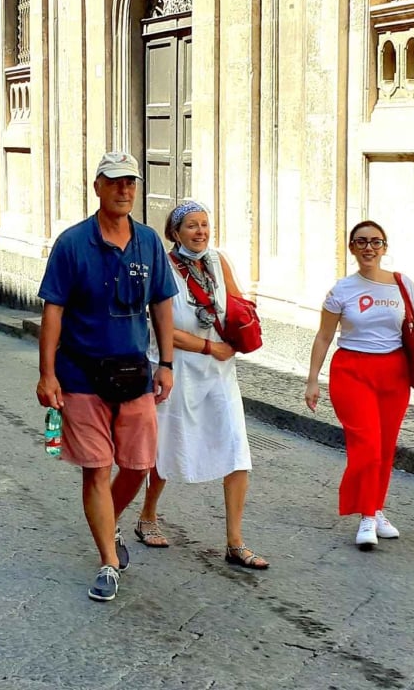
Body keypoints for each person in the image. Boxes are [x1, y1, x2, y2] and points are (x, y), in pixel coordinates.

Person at [36, 150, 176, 603]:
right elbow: (52, 310)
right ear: (97, 186)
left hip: (135, 372)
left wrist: (168, 364)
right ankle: (107, 561)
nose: (124, 190)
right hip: (80, 375)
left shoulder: (149, 241)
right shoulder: (73, 243)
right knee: (96, 469)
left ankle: (105, 522)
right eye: (115, 182)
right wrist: (47, 374)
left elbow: (161, 305)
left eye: (130, 182)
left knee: (138, 465)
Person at [135, 201, 264, 568]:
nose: (200, 231)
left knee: (236, 447)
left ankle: (235, 542)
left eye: (205, 224)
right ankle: (147, 516)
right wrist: (210, 345)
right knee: (164, 447)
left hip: (219, 371)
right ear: (175, 233)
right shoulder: (162, 267)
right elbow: (162, 327)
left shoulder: (218, 261)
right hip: (176, 368)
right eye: (191, 225)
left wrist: (244, 323)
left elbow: (237, 303)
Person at [305, 220, 414, 550]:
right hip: (352, 370)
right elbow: (324, 336)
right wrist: (312, 380)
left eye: (376, 242)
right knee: (366, 447)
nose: (369, 248)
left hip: (393, 372)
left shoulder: (402, 283)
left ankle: (376, 509)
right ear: (351, 248)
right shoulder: (342, 290)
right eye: (361, 242)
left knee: (386, 446)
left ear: (384, 247)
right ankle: (365, 516)